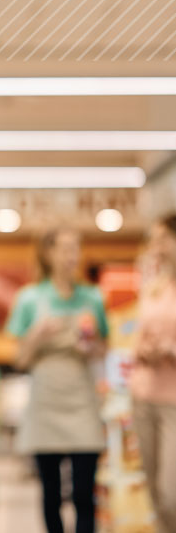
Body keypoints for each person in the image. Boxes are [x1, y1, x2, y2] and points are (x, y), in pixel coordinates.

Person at [6, 228, 108, 533]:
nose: (71, 256)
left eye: (75, 248)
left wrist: (91, 348)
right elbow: (20, 360)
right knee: (50, 492)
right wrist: (37, 336)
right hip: (45, 400)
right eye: (64, 249)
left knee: (83, 493)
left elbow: (105, 348)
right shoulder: (29, 298)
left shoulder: (92, 297)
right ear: (48, 254)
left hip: (82, 398)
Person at [130, 214, 176, 533]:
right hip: (143, 396)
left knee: (171, 492)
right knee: (155, 492)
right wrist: (143, 351)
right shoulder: (154, 287)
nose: (155, 246)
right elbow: (137, 338)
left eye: (162, 238)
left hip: (173, 403)